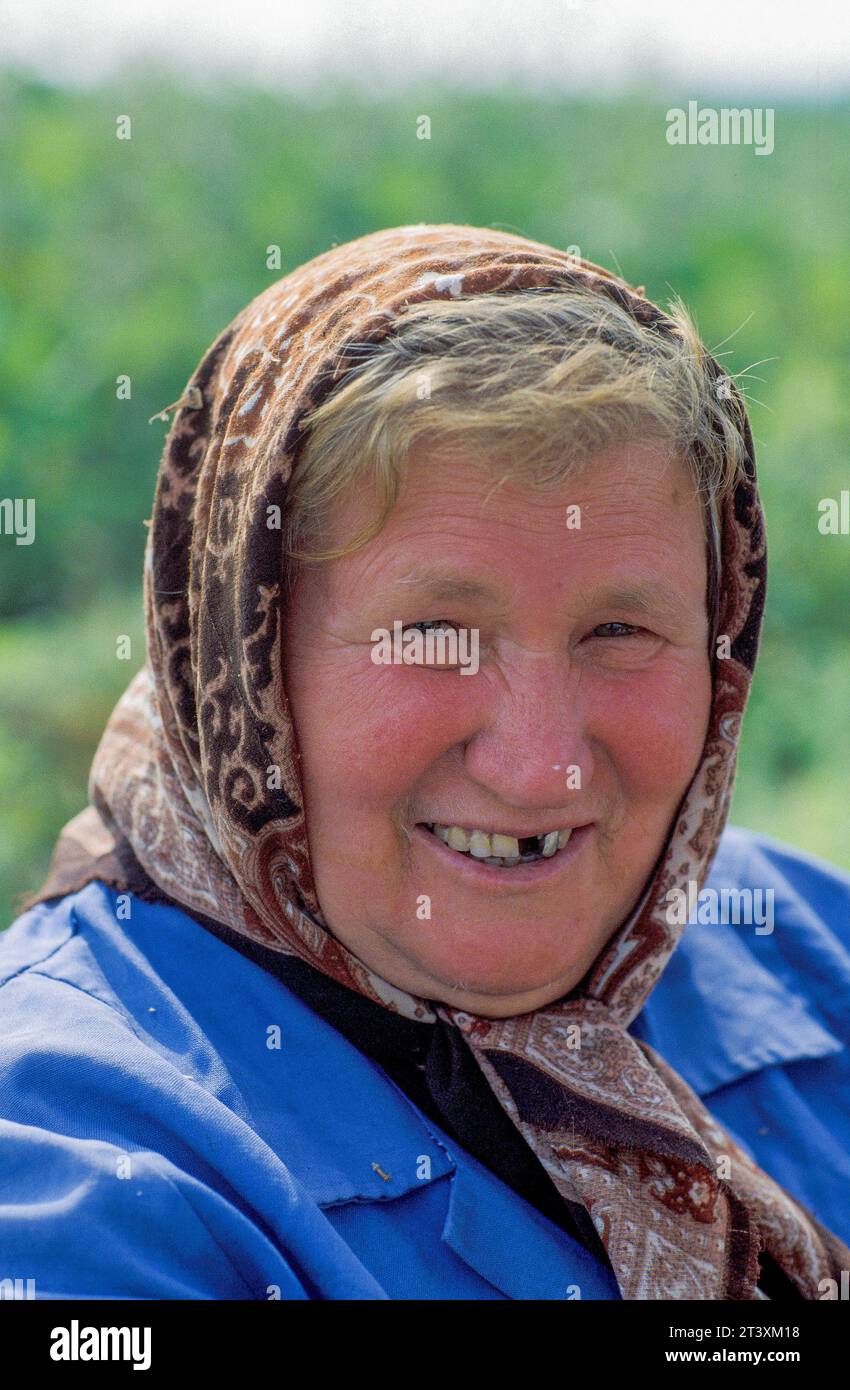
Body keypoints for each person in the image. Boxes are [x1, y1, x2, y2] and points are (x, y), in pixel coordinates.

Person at [1, 223, 848, 1301]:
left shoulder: (802, 943)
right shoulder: (71, 1168)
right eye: (435, 635)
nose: (540, 768)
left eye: (620, 633)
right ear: (241, 663)